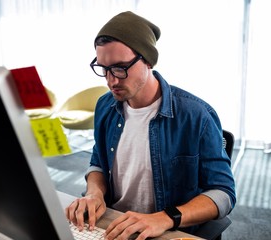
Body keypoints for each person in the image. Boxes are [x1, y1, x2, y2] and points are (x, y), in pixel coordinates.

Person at [65, 11, 236, 240]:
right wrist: (95, 193)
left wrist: (164, 218)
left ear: (147, 60)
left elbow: (223, 193)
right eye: (104, 68)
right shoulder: (105, 106)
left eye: (120, 68)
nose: (111, 80)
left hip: (167, 231)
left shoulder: (196, 115)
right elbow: (98, 161)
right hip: (115, 225)